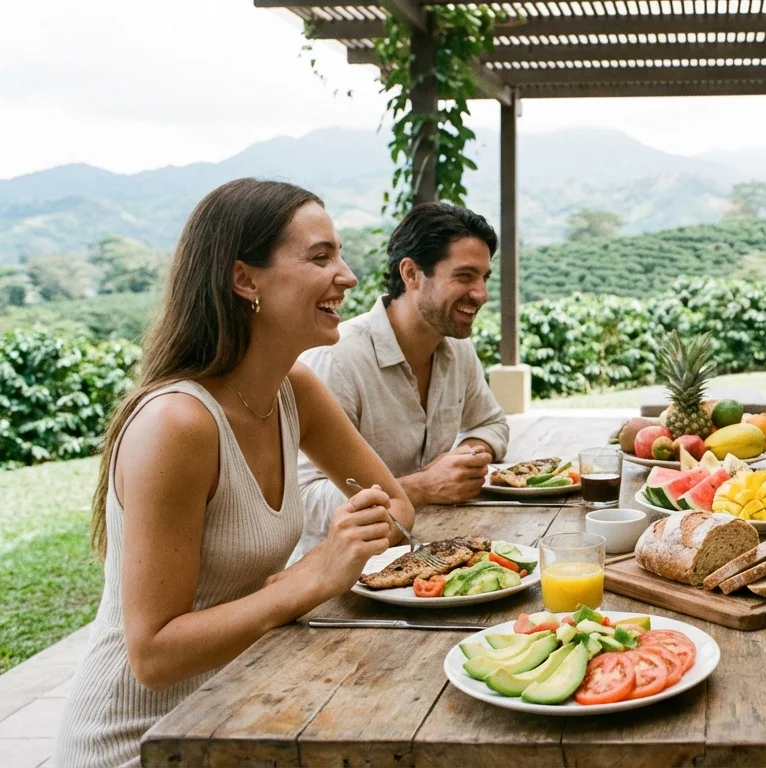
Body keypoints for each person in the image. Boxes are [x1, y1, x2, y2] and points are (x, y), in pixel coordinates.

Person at [53, 179, 415, 768]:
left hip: (241, 709)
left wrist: (331, 556)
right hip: (144, 743)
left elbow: (394, 505)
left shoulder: (291, 388)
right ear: (245, 279)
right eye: (321, 257)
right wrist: (307, 579)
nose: (348, 276)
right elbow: (153, 655)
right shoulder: (178, 423)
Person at [290, 201, 508, 563]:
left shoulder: (457, 350)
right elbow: (300, 501)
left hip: (432, 556)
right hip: (339, 583)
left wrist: (468, 456)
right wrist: (419, 488)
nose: (481, 294)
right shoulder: (336, 361)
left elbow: (491, 423)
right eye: (465, 276)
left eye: (485, 277)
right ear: (411, 274)